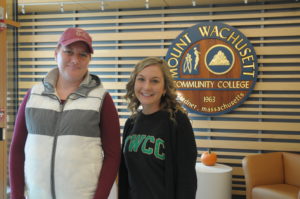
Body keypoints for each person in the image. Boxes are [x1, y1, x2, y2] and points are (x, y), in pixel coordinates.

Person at [9, 27, 121, 199]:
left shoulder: (102, 99)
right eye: (68, 52)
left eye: (82, 55)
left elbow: (113, 155)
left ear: (89, 59)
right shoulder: (33, 96)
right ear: (56, 53)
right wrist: (16, 195)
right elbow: (17, 149)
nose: (75, 60)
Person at [118, 57, 197, 199]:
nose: (147, 87)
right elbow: (125, 175)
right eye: (141, 79)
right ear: (134, 83)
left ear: (164, 88)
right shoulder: (131, 123)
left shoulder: (177, 121)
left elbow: (187, 179)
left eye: (154, 81)